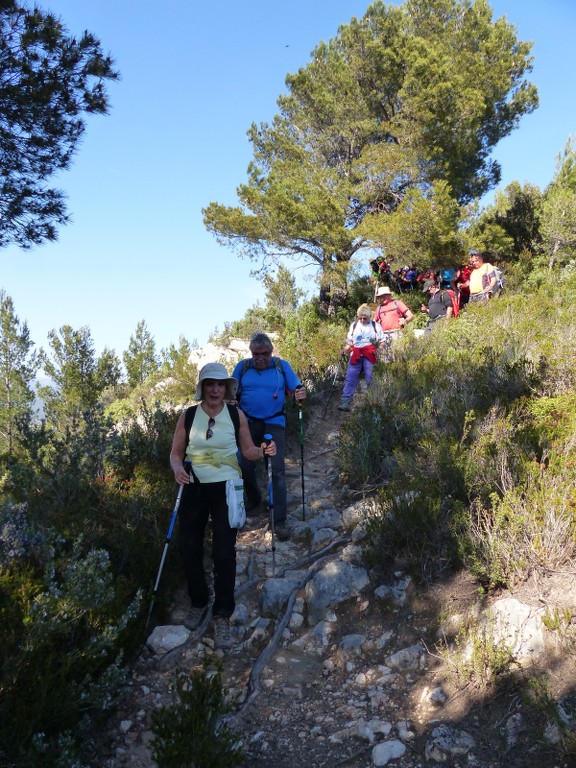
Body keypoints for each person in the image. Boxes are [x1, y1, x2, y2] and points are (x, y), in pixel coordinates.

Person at [169, 362, 277, 649]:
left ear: (226, 387)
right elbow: (176, 454)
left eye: (220, 384)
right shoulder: (188, 416)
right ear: (202, 387)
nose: (215, 389)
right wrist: (177, 469)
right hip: (193, 486)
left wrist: (264, 451)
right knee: (189, 545)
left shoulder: (235, 414)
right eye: (210, 384)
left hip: (227, 487)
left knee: (224, 551)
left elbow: (249, 452)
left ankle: (223, 612)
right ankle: (199, 601)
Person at [232, 333, 306, 542]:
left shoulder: (281, 366)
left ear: (271, 352)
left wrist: (300, 392)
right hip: (247, 422)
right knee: (243, 463)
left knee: (277, 469)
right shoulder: (243, 367)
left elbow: (296, 387)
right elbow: (231, 390)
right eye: (256, 354)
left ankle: (279, 520)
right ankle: (255, 498)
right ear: (251, 353)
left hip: (274, 422)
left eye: (265, 353)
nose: (260, 357)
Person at [338, 303, 385, 412]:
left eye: (365, 318)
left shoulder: (375, 326)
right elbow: (350, 342)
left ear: (369, 317)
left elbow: (382, 341)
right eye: (361, 318)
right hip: (356, 354)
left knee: (371, 377)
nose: (363, 320)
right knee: (350, 377)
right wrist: (345, 350)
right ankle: (345, 401)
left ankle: (374, 400)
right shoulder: (354, 325)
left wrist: (379, 350)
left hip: (370, 354)